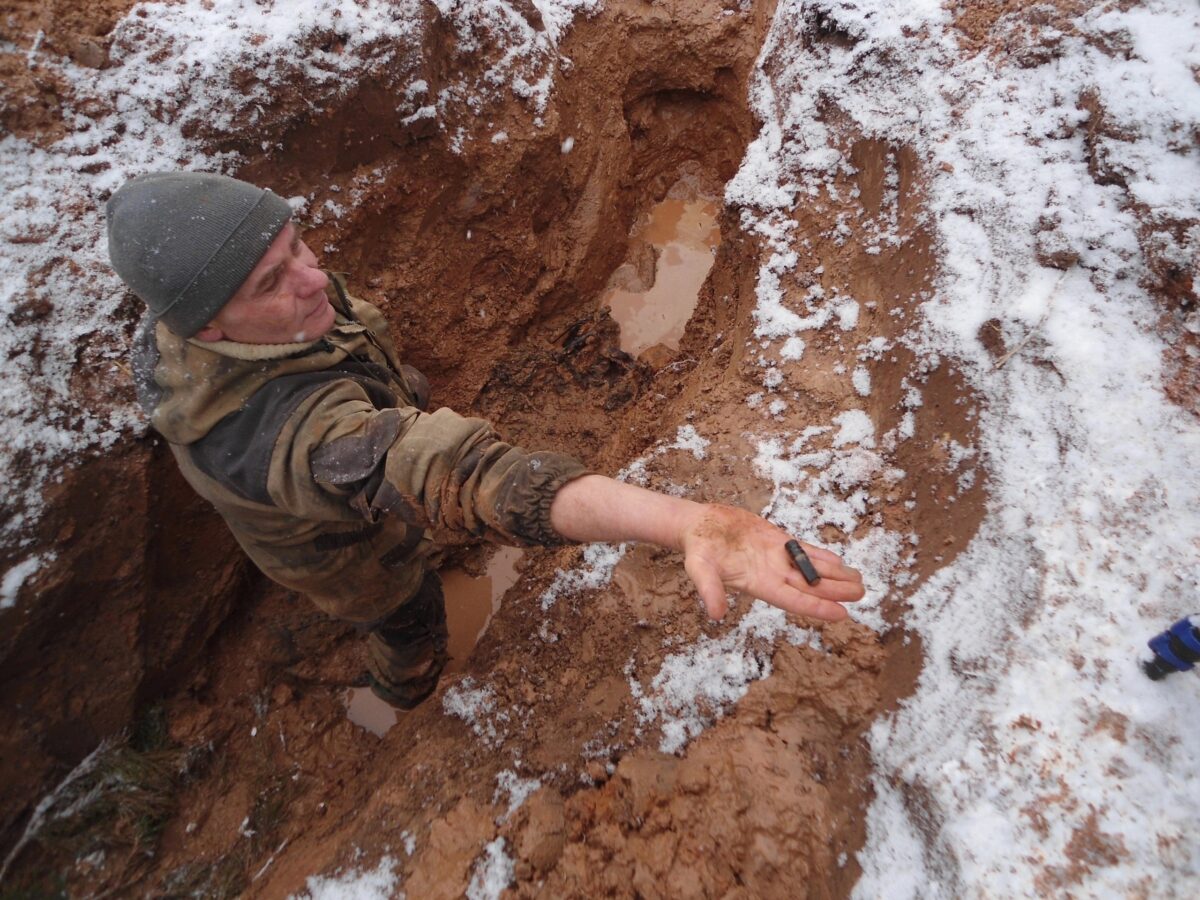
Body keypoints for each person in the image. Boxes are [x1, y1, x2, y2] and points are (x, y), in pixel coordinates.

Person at [107, 172, 865, 709]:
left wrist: (394, 388)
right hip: (347, 551)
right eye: (273, 282)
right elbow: (455, 473)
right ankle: (401, 690)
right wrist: (683, 522)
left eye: (300, 247)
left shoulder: (244, 301)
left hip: (366, 423)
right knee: (405, 615)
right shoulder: (272, 434)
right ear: (209, 327)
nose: (312, 278)